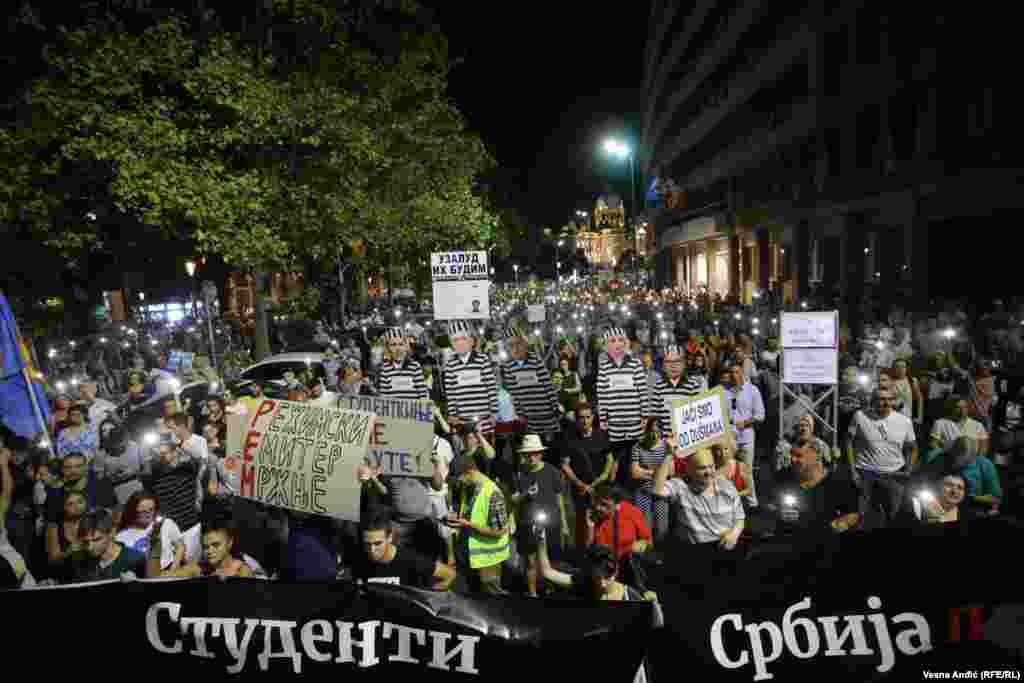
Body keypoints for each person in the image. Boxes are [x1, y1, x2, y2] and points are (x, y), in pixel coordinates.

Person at [845, 387, 918, 525]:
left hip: (894, 474)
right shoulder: (860, 416)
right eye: (881, 399)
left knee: (893, 516)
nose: (886, 402)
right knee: (862, 517)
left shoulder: (904, 421)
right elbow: (848, 441)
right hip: (866, 473)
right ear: (873, 401)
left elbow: (912, 447)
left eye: (890, 399)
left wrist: (909, 469)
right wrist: (852, 470)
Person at [653, 444, 744, 550]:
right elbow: (657, 490)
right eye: (702, 468)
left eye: (711, 466)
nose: (708, 472)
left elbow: (740, 517)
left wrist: (734, 533)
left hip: (727, 548)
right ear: (689, 470)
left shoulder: (727, 485)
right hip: (695, 553)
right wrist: (668, 455)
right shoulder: (681, 486)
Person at [511, 434, 568, 597]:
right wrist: (525, 494)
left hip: (552, 521)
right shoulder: (520, 473)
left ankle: (552, 589)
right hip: (528, 522)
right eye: (527, 454)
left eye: (535, 453)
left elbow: (559, 498)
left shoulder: (552, 471)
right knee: (530, 560)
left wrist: (563, 523)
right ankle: (532, 593)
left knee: (553, 558)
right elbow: (513, 499)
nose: (531, 457)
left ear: (540, 454)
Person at [447, 453, 511, 595]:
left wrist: (469, 525)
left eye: (459, 479)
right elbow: (472, 516)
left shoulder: (494, 494)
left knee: (493, 602)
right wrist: (457, 520)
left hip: (488, 562)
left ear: (469, 472)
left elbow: (499, 532)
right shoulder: (468, 489)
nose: (458, 483)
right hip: (470, 559)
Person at [772, 439, 861, 537]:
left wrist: (837, 525)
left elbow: (854, 513)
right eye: (791, 454)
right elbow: (768, 506)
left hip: (826, 543)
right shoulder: (783, 478)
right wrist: (778, 512)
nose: (792, 460)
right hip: (789, 542)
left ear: (817, 456)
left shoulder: (839, 482)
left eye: (799, 456)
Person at [596, 327, 648, 490]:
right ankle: (618, 489)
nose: (617, 344)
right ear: (606, 346)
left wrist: (644, 415)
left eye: (620, 340)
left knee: (634, 456)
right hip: (615, 422)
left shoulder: (635, 363)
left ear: (626, 343)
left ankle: (634, 488)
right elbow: (601, 393)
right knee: (617, 457)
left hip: (633, 420)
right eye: (612, 341)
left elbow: (643, 390)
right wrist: (603, 417)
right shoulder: (604, 367)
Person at [353, 508, 455, 588]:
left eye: (378, 543)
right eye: (367, 544)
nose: (372, 550)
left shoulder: (410, 560)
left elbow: (450, 574)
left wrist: (427, 597)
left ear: (390, 537)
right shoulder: (359, 559)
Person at [559, 402, 614, 548]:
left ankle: (604, 549)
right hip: (580, 489)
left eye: (588, 417)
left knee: (603, 518)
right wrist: (580, 484)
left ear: (593, 417)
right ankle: (582, 552)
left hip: (600, 486)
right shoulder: (569, 438)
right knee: (582, 521)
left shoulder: (602, 435)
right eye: (581, 417)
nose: (585, 421)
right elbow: (565, 465)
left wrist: (604, 476)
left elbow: (610, 459)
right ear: (576, 419)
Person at [146, 512, 256, 578]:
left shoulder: (242, 571)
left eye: (216, 545)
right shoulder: (198, 568)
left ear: (229, 543)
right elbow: (156, 578)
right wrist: (156, 546)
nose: (209, 551)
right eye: (205, 547)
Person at [501, 327, 560, 439]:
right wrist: (519, 413)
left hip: (546, 411)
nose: (515, 348)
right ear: (507, 348)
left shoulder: (535, 360)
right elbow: (514, 393)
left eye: (518, 343)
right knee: (536, 444)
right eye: (511, 345)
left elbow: (547, 384)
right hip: (529, 415)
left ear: (523, 343)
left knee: (552, 444)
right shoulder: (508, 367)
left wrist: (555, 406)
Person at [720, 361, 765, 507]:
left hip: (746, 437)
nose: (733, 375)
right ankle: (728, 500)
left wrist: (745, 423)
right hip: (729, 438)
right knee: (727, 470)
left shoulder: (753, 390)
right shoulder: (724, 391)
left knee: (746, 471)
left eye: (736, 372)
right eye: (731, 372)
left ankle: (751, 502)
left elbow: (760, 415)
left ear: (743, 373)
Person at [67, 508, 147, 583]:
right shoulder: (79, 560)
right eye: (86, 542)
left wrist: (136, 584)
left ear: (112, 532)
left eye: (96, 540)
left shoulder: (135, 560)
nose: (90, 547)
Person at [115, 492, 185, 572]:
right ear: (133, 511)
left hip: (167, 570)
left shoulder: (165, 523)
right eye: (143, 511)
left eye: (151, 510)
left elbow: (180, 547)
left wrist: (173, 570)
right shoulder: (121, 537)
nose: (148, 515)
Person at [630, 418, 671, 542]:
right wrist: (659, 472)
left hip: (660, 492)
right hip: (643, 493)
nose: (654, 435)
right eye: (652, 431)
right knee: (644, 529)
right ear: (646, 431)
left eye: (658, 432)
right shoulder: (638, 447)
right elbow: (635, 473)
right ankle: (646, 555)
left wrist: (645, 472)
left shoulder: (667, 446)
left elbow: (671, 471)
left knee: (661, 528)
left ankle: (661, 555)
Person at [376, 327, 430, 401]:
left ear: (405, 346)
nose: (398, 348)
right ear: (388, 348)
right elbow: (384, 396)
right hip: (394, 410)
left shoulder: (415, 366)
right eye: (393, 345)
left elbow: (423, 393)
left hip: (412, 410)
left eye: (401, 344)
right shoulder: (385, 369)